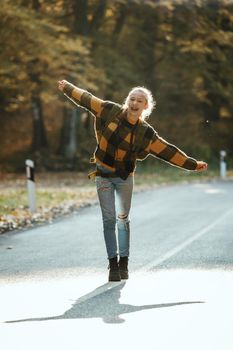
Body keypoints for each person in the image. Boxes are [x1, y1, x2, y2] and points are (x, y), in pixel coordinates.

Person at [58, 80, 208, 282]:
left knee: (122, 219)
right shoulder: (109, 110)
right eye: (132, 98)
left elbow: (168, 151)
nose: (135, 103)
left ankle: (124, 263)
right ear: (127, 100)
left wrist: (192, 164)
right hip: (103, 175)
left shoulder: (146, 133)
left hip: (124, 179)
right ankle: (112, 265)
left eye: (140, 100)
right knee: (108, 220)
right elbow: (87, 98)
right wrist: (67, 87)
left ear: (146, 106)